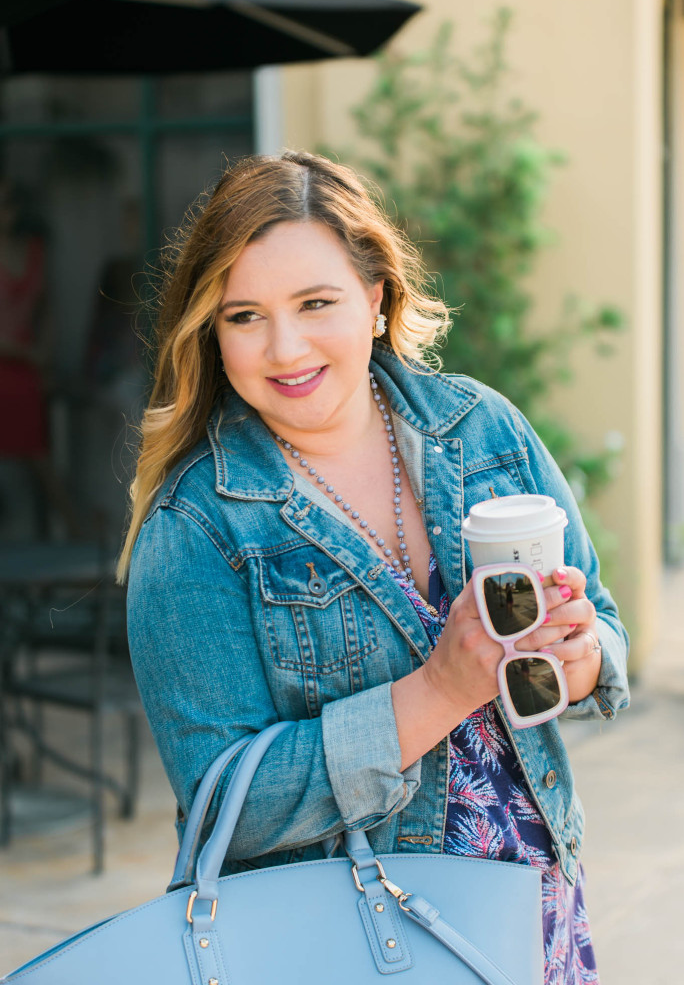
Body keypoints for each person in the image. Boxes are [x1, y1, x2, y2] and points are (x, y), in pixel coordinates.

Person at [122, 151, 629, 985]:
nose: (284, 348)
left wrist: (578, 660)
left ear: (376, 296)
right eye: (244, 315)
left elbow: (603, 625)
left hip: (534, 912)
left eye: (315, 303)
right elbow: (225, 809)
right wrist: (437, 691)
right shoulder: (196, 528)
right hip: (355, 945)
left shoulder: (484, 432)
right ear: (210, 329)